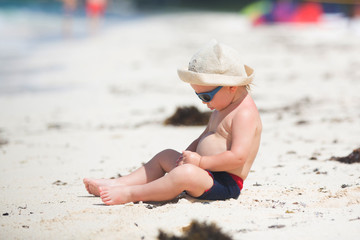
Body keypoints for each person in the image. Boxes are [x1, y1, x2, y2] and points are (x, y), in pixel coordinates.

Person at [83, 40, 262, 205]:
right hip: (203, 171)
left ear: (231, 87)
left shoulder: (244, 114)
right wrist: (187, 155)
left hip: (223, 183)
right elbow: (204, 136)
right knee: (166, 156)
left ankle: (131, 193)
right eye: (198, 95)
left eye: (206, 96)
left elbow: (238, 157)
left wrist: (200, 163)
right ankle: (118, 183)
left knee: (184, 174)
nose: (203, 102)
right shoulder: (222, 106)